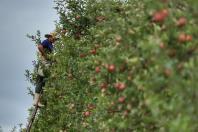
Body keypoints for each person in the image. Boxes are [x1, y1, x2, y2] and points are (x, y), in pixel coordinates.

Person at [33, 32, 57, 107]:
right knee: (42, 79)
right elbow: (40, 47)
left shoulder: (50, 44)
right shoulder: (46, 41)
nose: (54, 40)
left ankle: (37, 101)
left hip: (47, 63)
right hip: (44, 63)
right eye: (54, 38)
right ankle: (36, 101)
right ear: (50, 37)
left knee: (43, 81)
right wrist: (45, 55)